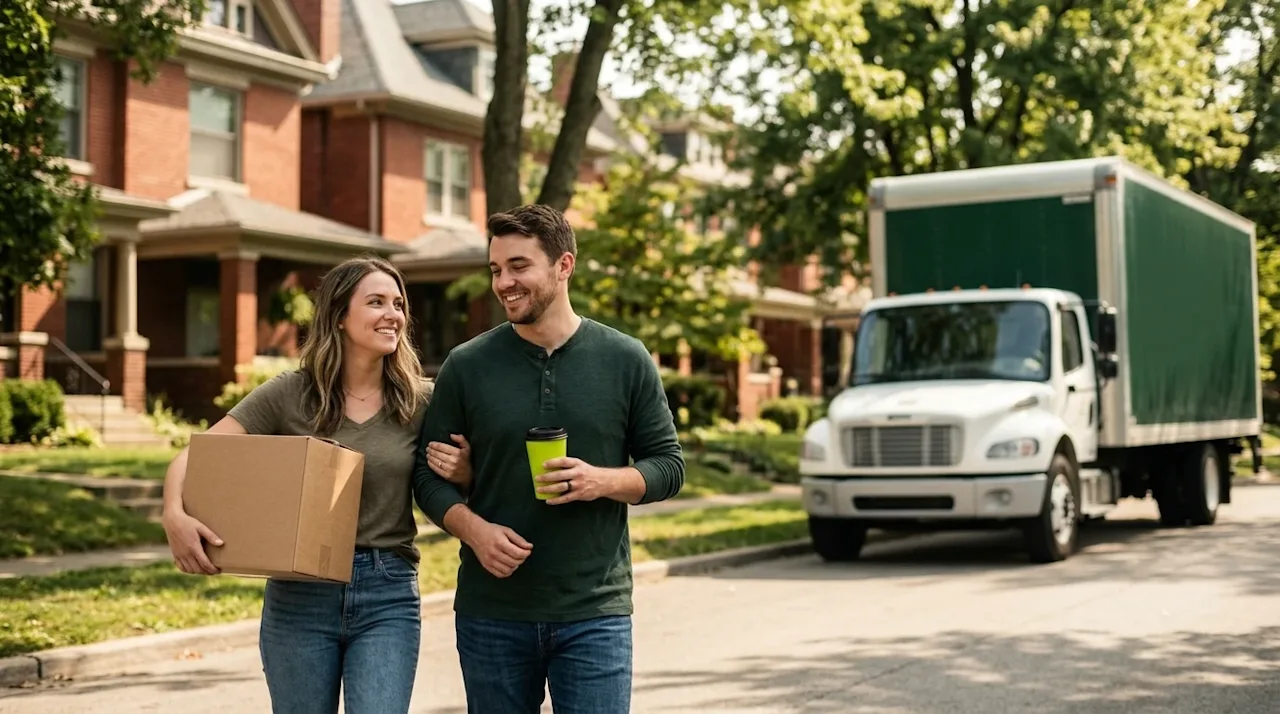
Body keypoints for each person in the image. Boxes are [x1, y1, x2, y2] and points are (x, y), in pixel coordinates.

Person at [160, 256, 470, 714]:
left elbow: (455, 477)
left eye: (398, 303)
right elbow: (196, 455)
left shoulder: (421, 400)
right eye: (376, 302)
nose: (394, 314)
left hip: (387, 588)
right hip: (299, 595)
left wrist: (464, 472)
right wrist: (173, 515)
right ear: (340, 317)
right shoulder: (291, 393)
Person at [414, 204, 686, 714]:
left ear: (564, 266)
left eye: (519, 266)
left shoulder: (625, 359)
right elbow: (429, 480)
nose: (504, 283)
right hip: (492, 611)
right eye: (496, 270)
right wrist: (475, 531)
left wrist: (600, 481)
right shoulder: (466, 366)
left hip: (594, 612)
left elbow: (668, 466)